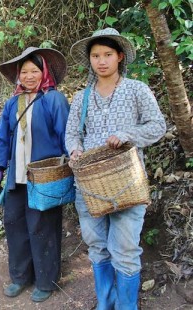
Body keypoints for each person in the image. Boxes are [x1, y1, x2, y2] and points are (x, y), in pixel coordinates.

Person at [65, 28, 166, 310]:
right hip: (88, 185)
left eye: (108, 54)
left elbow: (157, 126)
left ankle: (126, 306)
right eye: (96, 55)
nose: (102, 61)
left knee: (125, 250)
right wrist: (74, 149)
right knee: (97, 247)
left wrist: (127, 134)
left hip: (127, 185)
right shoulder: (81, 98)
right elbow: (72, 133)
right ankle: (105, 304)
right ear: (90, 60)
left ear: (120, 57)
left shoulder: (137, 90)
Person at [0, 47, 70, 302]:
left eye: (35, 70)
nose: (29, 76)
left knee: (43, 226)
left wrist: (70, 169)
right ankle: (20, 277)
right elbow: (1, 137)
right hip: (17, 178)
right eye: (24, 71)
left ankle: (46, 280)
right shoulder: (13, 102)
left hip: (44, 178)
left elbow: (66, 136)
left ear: (44, 72)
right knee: (15, 225)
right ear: (18, 76)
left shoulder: (54, 100)